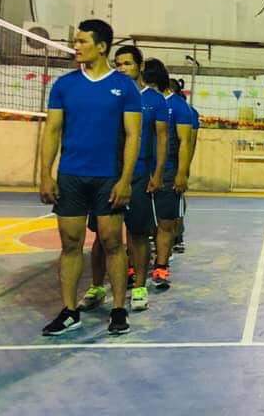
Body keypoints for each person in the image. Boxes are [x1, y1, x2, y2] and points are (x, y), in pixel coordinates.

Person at [39, 19, 142, 336]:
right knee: (70, 244)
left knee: (112, 243)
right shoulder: (64, 85)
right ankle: (70, 312)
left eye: (82, 41)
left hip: (107, 178)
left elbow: (133, 136)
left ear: (102, 46)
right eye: (76, 41)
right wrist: (46, 174)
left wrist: (125, 180)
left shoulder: (125, 87)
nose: (76, 46)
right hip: (71, 176)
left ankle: (118, 310)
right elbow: (52, 131)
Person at [77, 46, 168, 313]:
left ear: (140, 66)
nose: (122, 68)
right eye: (118, 64)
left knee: (138, 234)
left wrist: (157, 173)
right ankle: (97, 287)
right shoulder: (109, 95)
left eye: (127, 63)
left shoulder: (155, 100)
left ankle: (139, 287)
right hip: (106, 175)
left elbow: (162, 139)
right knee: (102, 237)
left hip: (139, 176)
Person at [148, 60, 194, 290]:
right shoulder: (142, 102)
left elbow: (186, 142)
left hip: (167, 172)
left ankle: (161, 266)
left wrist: (182, 173)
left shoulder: (179, 107)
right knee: (140, 225)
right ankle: (134, 266)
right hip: (142, 171)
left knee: (166, 222)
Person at [171, 78, 198, 255]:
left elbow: (190, 142)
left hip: (174, 165)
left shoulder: (187, 111)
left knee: (177, 199)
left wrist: (184, 167)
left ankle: (178, 236)